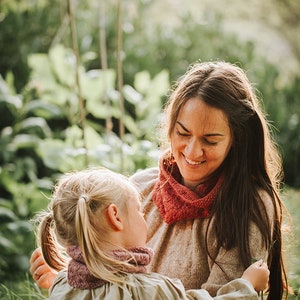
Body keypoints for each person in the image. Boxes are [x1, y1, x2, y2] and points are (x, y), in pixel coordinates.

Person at [30, 61, 289, 299]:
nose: (191, 151)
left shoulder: (247, 206)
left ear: (237, 139)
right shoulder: (140, 187)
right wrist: (73, 276)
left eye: (210, 140)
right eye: (182, 133)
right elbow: (113, 274)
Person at [33, 167, 269, 299]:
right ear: (116, 217)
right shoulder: (150, 291)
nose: (144, 216)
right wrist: (247, 285)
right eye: (138, 210)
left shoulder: (62, 285)